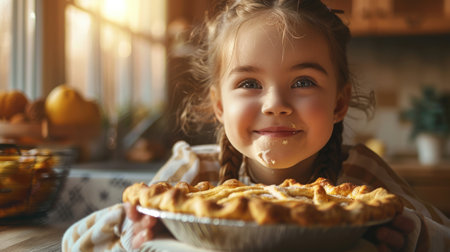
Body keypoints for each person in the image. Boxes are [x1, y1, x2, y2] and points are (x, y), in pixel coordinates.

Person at [62, 0, 450, 251]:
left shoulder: (363, 175)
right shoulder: (194, 171)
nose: (276, 105)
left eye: (302, 83)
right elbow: (80, 241)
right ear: (218, 105)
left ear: (339, 103)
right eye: (249, 84)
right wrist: (132, 237)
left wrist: (415, 236)